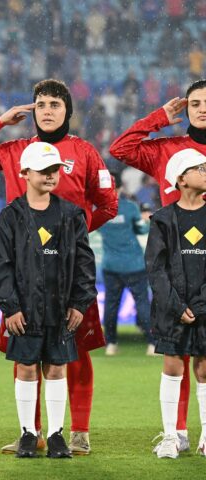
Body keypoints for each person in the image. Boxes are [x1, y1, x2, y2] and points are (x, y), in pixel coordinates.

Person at [0, 79, 116, 454]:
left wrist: (71, 237)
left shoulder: (85, 152)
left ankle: (77, 431)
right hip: (24, 274)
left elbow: (107, 204)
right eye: (41, 103)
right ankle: (32, 431)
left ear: (67, 112)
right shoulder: (15, 150)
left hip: (68, 274)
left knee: (74, 353)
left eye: (55, 104)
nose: (47, 110)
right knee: (25, 353)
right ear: (32, 110)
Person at [109, 78, 206, 453]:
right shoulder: (167, 148)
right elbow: (121, 147)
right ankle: (177, 432)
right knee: (176, 353)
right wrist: (160, 117)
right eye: (194, 102)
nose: (200, 108)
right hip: (174, 263)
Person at [0, 142, 97, 459]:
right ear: (24, 173)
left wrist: (79, 303)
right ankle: (28, 434)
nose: (51, 176)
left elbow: (84, 263)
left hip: (61, 310)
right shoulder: (11, 216)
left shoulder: (70, 215)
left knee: (56, 369)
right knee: (26, 368)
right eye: (44, 170)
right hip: (23, 311)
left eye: (55, 170)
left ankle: (55, 435)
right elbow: (2, 265)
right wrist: (10, 307)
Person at [144, 148, 206, 459]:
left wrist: (200, 305)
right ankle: (170, 436)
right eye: (200, 168)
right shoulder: (163, 219)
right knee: (172, 367)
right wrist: (176, 305)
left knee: (205, 368)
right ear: (181, 179)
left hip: (205, 309)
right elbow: (156, 268)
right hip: (171, 311)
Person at [98, 173, 154, 356]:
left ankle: (111, 344)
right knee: (142, 304)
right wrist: (146, 220)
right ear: (121, 188)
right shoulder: (129, 208)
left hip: (111, 265)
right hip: (134, 265)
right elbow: (142, 229)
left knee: (111, 305)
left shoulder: (98, 209)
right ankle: (152, 344)